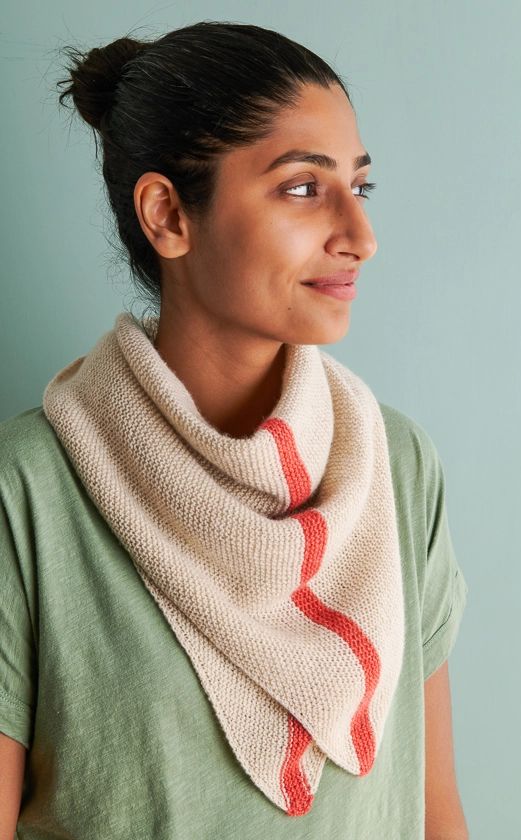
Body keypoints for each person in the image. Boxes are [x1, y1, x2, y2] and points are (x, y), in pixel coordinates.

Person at [0, 20, 469, 839]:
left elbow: (433, 818)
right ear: (168, 215)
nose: (360, 237)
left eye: (360, 188)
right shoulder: (30, 493)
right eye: (300, 187)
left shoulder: (396, 467)